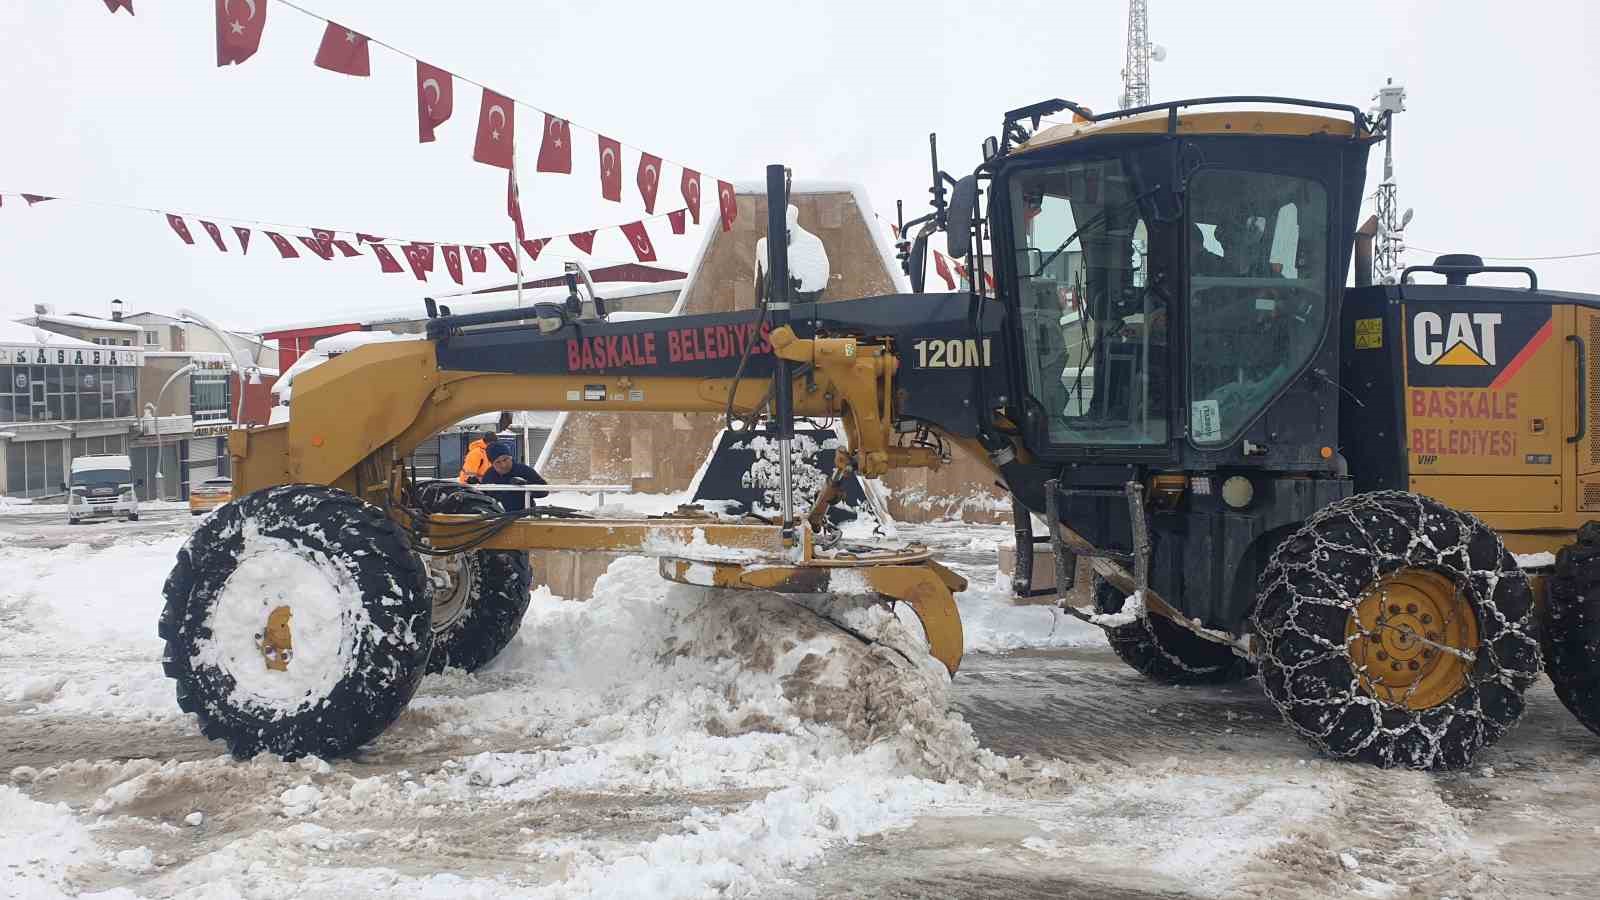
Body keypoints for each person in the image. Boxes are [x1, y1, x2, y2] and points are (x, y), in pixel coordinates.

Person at [477, 442, 548, 512]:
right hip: (499, 517)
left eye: (505, 459)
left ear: (510, 457)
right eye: (498, 462)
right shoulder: (489, 475)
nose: (503, 465)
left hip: (525, 517)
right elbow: (484, 497)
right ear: (492, 463)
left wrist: (526, 485)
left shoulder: (524, 470)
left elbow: (544, 490)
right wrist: (476, 487)